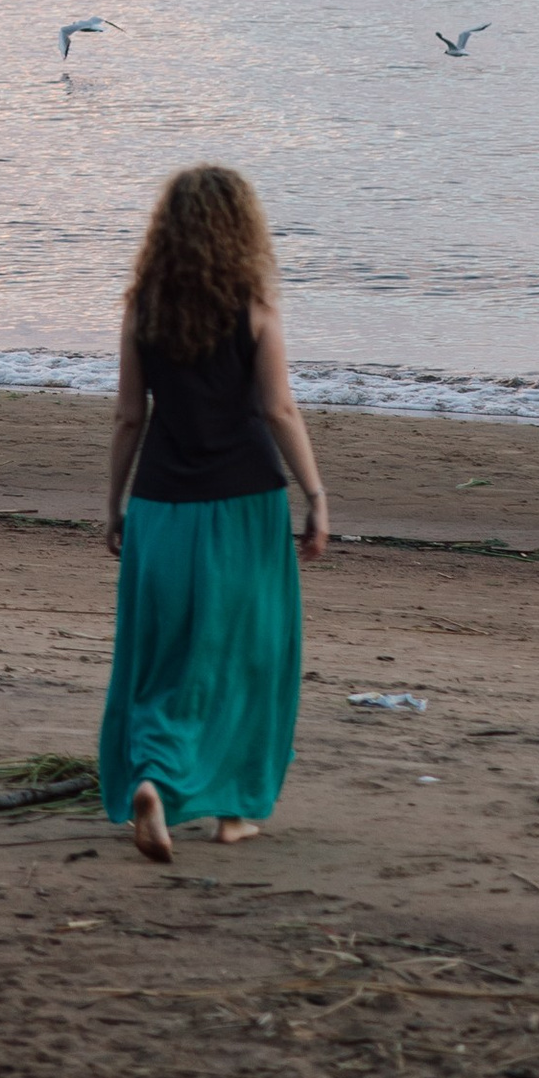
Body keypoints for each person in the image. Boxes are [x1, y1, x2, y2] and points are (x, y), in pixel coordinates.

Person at [98, 163, 329, 867]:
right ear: (242, 229)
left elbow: (130, 416)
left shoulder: (144, 309)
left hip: (163, 505)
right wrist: (315, 494)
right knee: (251, 654)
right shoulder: (254, 308)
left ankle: (152, 780)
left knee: (165, 656)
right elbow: (278, 409)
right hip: (245, 507)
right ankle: (232, 814)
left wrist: (113, 503)